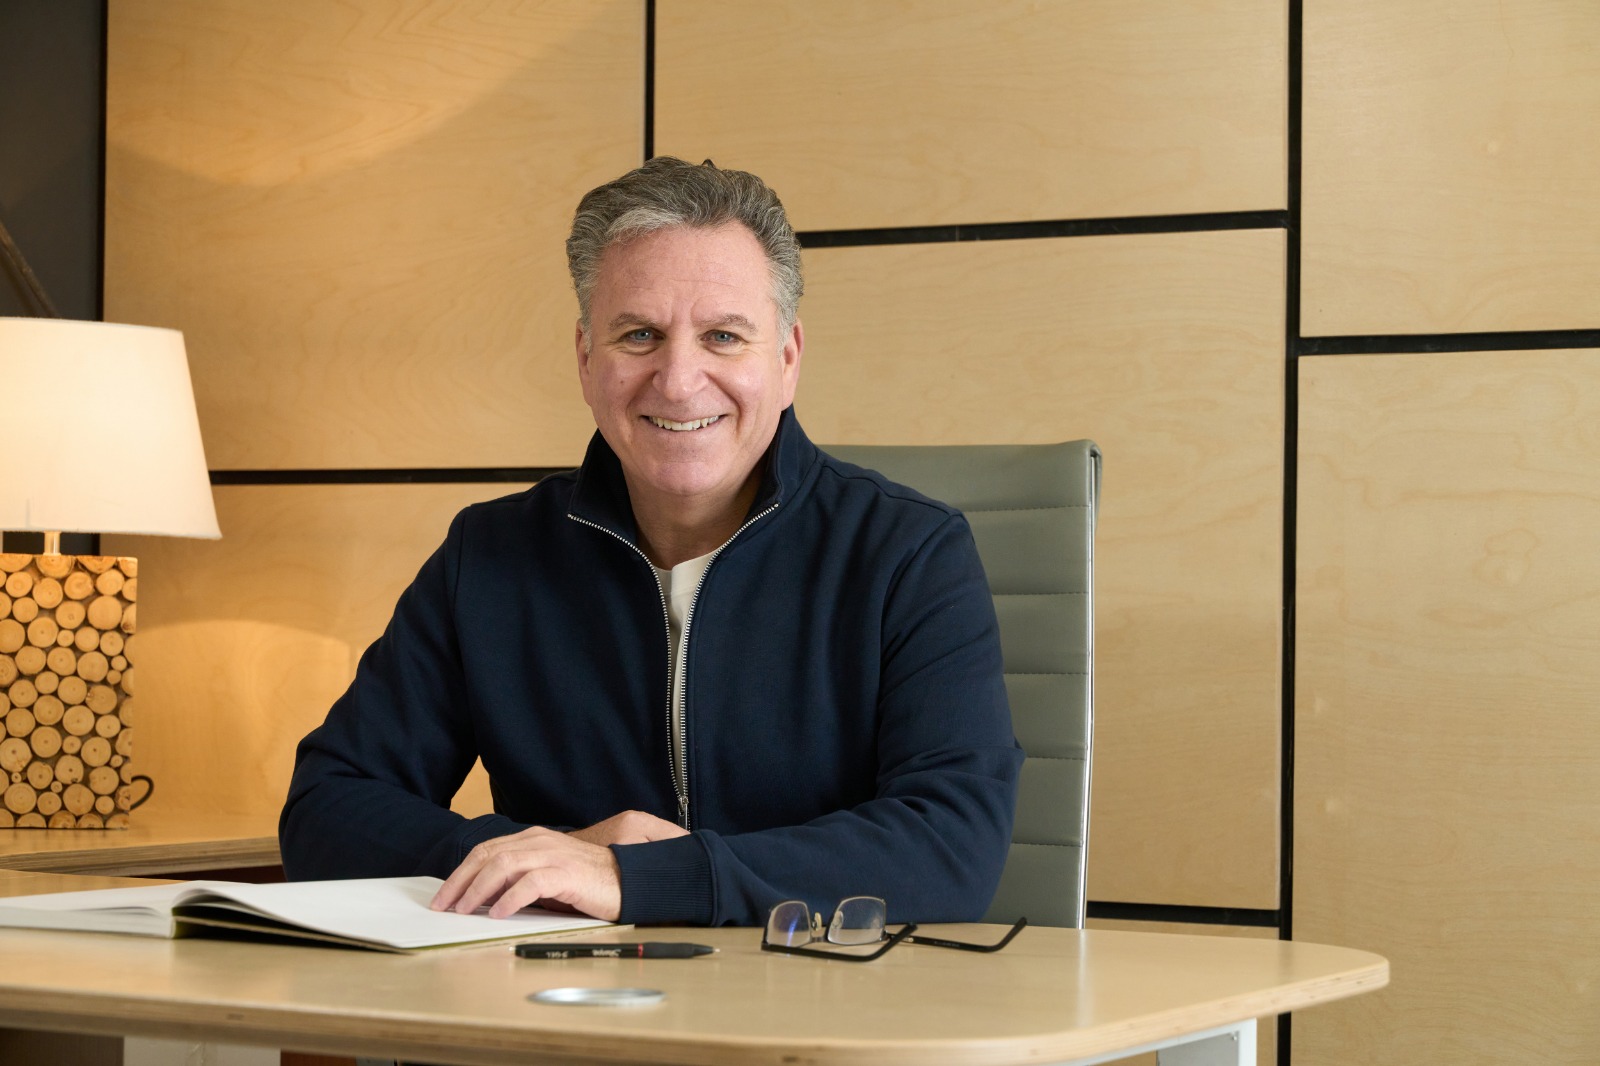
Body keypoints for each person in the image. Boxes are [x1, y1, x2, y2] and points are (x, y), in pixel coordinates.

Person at [279, 157, 1022, 927]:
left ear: (788, 358)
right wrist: (550, 859)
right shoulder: (489, 556)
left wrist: (644, 878)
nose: (677, 379)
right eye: (639, 335)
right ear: (584, 358)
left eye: (724, 337)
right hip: (563, 1014)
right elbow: (326, 812)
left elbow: (951, 848)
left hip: (822, 1012)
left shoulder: (909, 552)